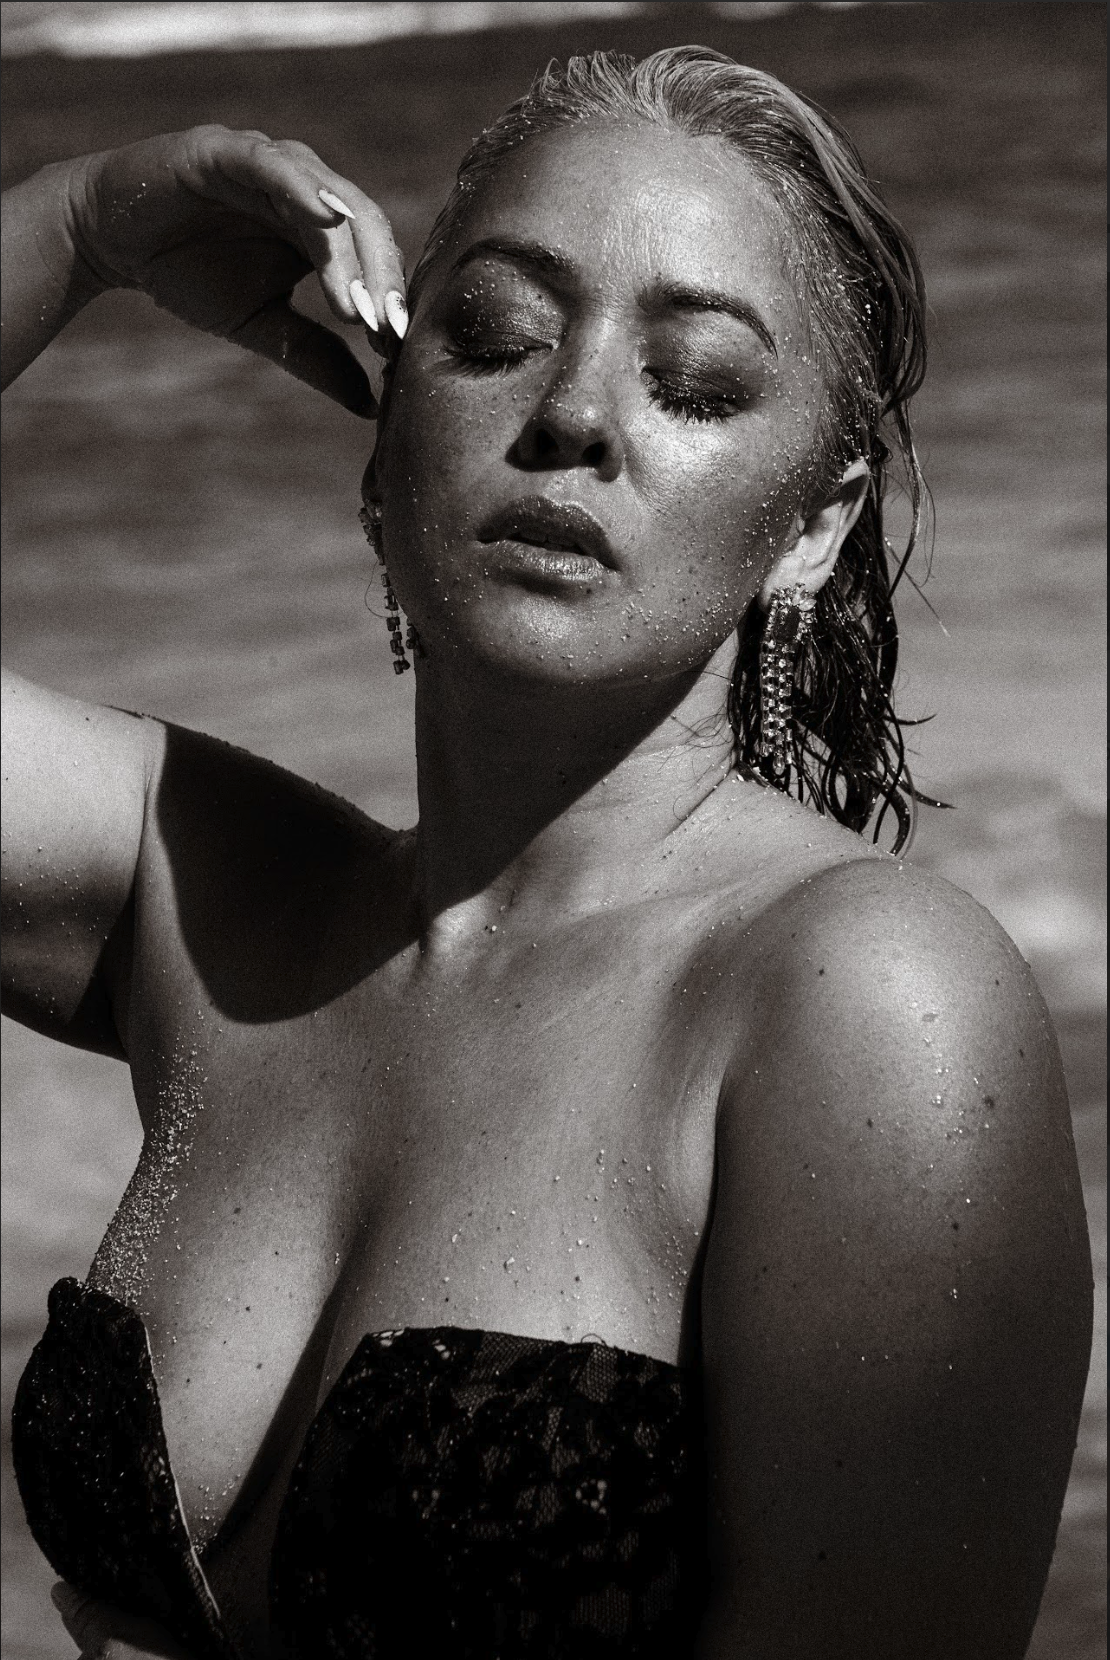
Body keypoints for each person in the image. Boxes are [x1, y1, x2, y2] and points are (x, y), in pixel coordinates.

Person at [1, 46, 1092, 1660]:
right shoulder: (211, 902)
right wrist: (79, 227)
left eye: (697, 385)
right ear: (383, 450)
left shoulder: (858, 1002)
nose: (574, 413)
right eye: (497, 336)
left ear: (813, 521)